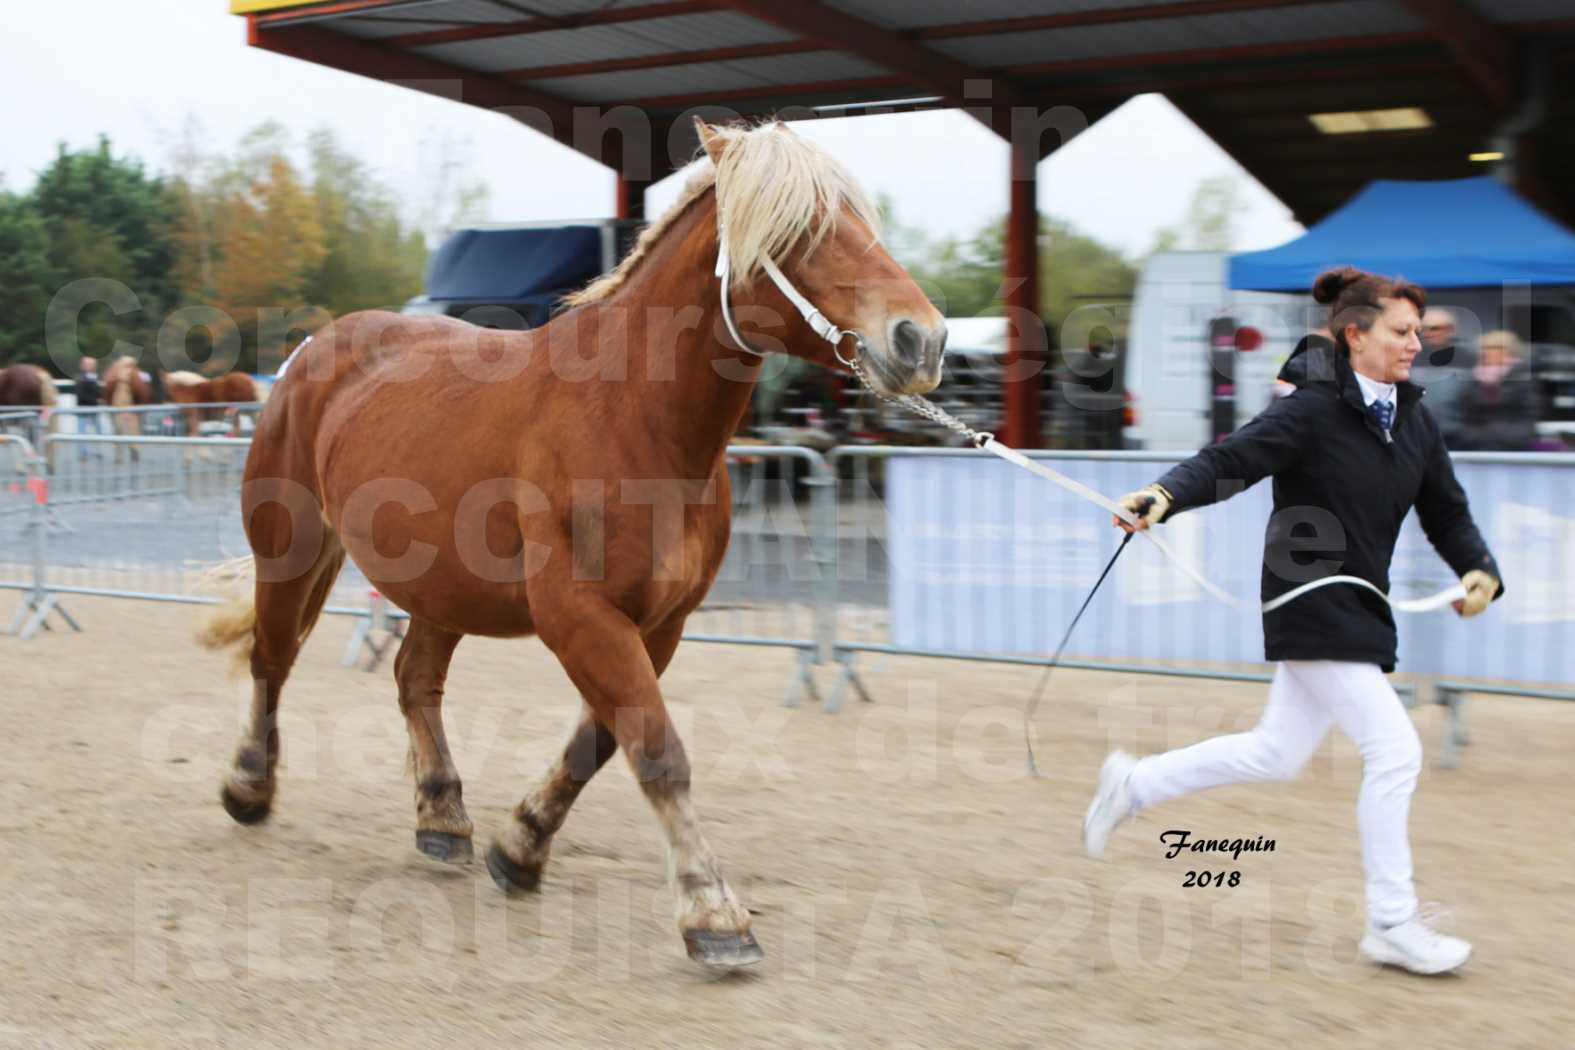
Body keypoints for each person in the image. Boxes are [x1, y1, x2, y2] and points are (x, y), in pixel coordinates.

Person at [1082, 266, 1502, 976]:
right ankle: (1392, 922)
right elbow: (1232, 459)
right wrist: (1162, 494)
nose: (1413, 345)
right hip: (1308, 598)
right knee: (1395, 751)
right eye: (1400, 333)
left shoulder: (1414, 419)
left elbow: (1446, 509)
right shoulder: (1311, 409)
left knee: (1275, 753)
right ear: (1354, 334)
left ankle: (1136, 784)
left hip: (1357, 602)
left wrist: (1479, 569)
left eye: (1415, 334)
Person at [1448, 330, 1537, 451]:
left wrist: (1498, 437)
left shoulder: (1524, 379)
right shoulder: (1470, 379)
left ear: (1509, 352)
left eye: (1495, 348)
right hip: (1471, 445)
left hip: (1512, 445)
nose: (1486, 352)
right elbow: (1456, 414)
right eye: (1484, 348)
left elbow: (1528, 419)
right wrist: (1472, 437)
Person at [74, 355, 102, 436]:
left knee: (99, 431)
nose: (91, 366)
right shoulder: (80, 378)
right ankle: (82, 449)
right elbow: (81, 395)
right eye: (88, 364)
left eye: (92, 364)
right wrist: (97, 400)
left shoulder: (93, 377)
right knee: (82, 432)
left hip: (94, 409)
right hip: (83, 409)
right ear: (82, 365)